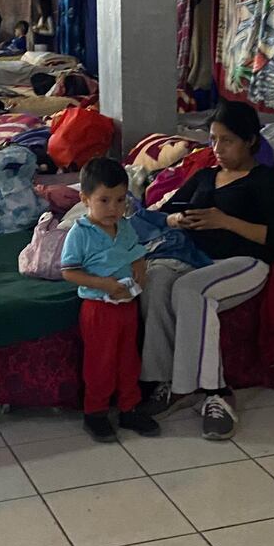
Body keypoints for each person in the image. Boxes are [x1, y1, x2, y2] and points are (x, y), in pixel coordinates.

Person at [138, 100, 274, 440]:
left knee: (191, 290)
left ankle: (216, 392)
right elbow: (170, 210)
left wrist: (225, 221)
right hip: (196, 256)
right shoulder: (206, 175)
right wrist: (178, 219)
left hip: (244, 261)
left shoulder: (265, 180)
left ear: (250, 140)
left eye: (227, 141)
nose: (217, 149)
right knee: (157, 279)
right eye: (213, 139)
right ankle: (166, 382)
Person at [60, 158, 160, 442]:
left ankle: (129, 408)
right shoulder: (80, 234)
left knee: (128, 358)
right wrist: (101, 283)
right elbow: (69, 272)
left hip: (127, 306)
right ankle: (96, 413)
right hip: (98, 308)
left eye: (119, 200)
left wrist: (140, 266)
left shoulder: (125, 226)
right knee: (100, 363)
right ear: (85, 199)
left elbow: (136, 252)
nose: (113, 208)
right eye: (104, 200)